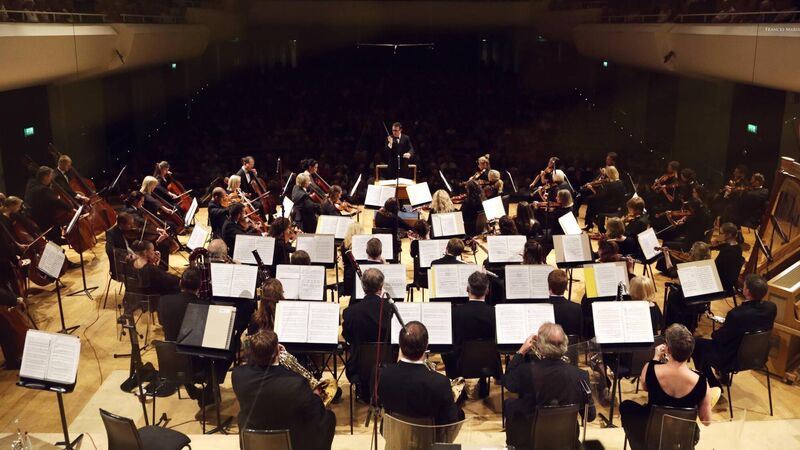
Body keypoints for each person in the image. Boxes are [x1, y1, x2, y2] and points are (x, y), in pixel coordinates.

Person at [232, 330, 336, 450]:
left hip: (253, 439)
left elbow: (253, 369)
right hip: (291, 441)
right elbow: (314, 412)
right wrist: (317, 395)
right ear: (277, 351)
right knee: (328, 417)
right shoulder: (296, 384)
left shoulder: (238, 375)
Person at [620, 324, 715, 450]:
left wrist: (656, 357)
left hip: (653, 433)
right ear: (691, 351)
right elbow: (706, 421)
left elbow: (645, 387)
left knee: (626, 406)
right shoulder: (702, 381)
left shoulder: (650, 368)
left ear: (668, 350)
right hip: (682, 436)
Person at [504, 323, 595, 449]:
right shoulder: (580, 375)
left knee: (509, 404)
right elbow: (590, 416)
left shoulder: (525, 371)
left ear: (540, 346)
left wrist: (521, 352)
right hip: (566, 442)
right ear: (565, 344)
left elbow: (508, 382)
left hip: (531, 442)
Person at [692, 274, 777, 388]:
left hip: (732, 359)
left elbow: (720, 338)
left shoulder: (737, 314)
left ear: (747, 291)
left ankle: (713, 384)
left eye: (744, 286)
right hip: (757, 356)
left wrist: (715, 332)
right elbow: (751, 325)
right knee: (732, 339)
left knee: (696, 344)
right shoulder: (771, 308)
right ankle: (724, 376)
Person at [378, 321, 465, 424]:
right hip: (428, 434)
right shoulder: (440, 383)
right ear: (426, 345)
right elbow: (451, 422)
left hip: (394, 431)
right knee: (460, 414)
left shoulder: (382, 374)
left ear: (400, 345)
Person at [442, 272, 498, 398]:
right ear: (487, 291)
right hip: (488, 364)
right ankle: (483, 382)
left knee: (447, 350)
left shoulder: (455, 313)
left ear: (467, 289)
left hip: (460, 364)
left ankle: (457, 387)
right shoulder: (495, 313)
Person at [342, 268, 393, 401]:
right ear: (381, 286)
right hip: (387, 365)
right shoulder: (391, 309)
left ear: (363, 287)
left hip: (359, 368)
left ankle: (363, 392)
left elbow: (347, 337)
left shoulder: (350, 312)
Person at [124, 240, 180, 315]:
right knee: (177, 287)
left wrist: (155, 264)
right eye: (152, 250)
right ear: (145, 252)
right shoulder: (151, 269)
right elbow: (168, 280)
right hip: (152, 299)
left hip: (136, 296)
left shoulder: (129, 264)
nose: (154, 253)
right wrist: (180, 279)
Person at [24, 166, 72, 244]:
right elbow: (57, 201)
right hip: (44, 221)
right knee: (58, 238)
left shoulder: (31, 184)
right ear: (45, 177)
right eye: (50, 176)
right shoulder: (43, 189)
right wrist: (69, 208)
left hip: (32, 217)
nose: (51, 179)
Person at [157, 268, 204, 342]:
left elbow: (162, 323)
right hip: (193, 348)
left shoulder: (163, 300)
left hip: (170, 348)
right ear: (200, 285)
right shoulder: (204, 307)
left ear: (180, 282)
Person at [583, 166, 626, 233]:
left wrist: (591, 188)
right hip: (618, 207)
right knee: (592, 204)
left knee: (591, 205)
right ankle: (593, 224)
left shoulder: (609, 185)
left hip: (609, 208)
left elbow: (599, 196)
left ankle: (597, 226)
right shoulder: (621, 183)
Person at [542, 270, 582, 337]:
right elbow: (579, 334)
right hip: (569, 343)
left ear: (549, 286)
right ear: (566, 287)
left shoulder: (541, 307)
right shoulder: (577, 308)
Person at [714, 222, 744, 294]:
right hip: (731, 280)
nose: (719, 236)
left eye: (721, 233)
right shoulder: (738, 247)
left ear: (729, 235)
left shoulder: (727, 250)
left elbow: (715, 267)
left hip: (723, 283)